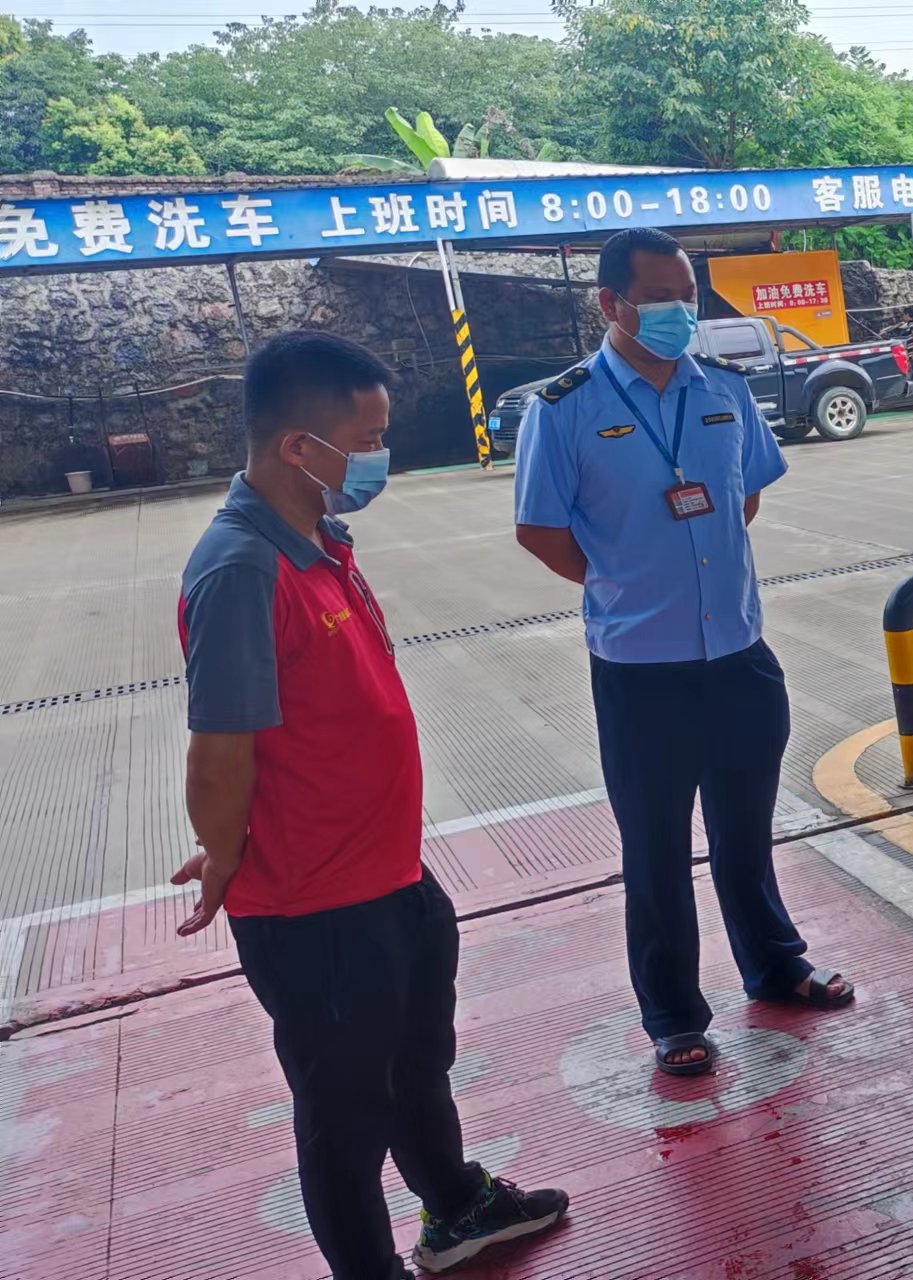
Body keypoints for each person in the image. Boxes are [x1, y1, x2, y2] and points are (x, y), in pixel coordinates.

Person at [174, 331, 567, 1277]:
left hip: (388, 875)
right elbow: (219, 751)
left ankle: (455, 1207)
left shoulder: (319, 540)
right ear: (298, 447)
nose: (380, 459)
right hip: (316, 907)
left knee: (417, 1062)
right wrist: (222, 850)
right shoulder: (242, 569)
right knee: (345, 1112)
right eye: (369, 440)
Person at [513, 227, 852, 1078]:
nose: (679, 312)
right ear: (611, 304)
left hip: (739, 654)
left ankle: (775, 965)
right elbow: (539, 530)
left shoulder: (724, 390)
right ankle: (672, 1013)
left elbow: (743, 498)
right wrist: (623, 580)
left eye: (687, 296)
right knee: (656, 849)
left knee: (747, 832)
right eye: (659, 298)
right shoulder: (565, 407)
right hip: (641, 671)